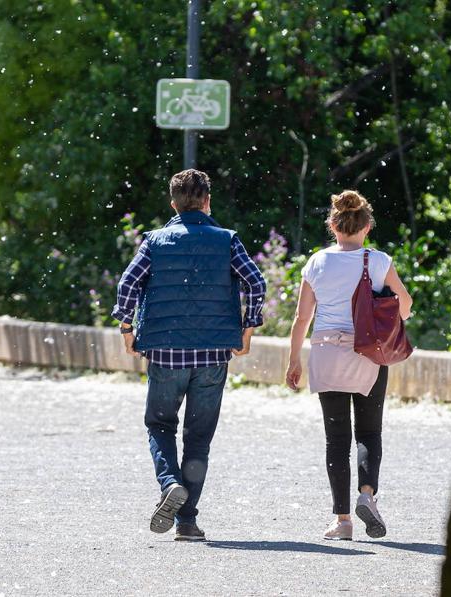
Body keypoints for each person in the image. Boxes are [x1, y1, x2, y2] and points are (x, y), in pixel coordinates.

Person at [112, 169, 266, 541]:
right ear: (207, 201)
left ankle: (169, 484)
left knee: (160, 425)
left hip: (165, 352)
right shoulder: (227, 240)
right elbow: (256, 282)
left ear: (173, 203)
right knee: (198, 438)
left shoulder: (155, 241)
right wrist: (247, 329)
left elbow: (128, 284)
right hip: (213, 354)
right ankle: (187, 522)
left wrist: (127, 329)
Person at [285, 190, 412, 541]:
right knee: (369, 432)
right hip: (367, 354)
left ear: (333, 224)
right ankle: (366, 494)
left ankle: (342, 521)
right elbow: (405, 303)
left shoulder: (316, 262)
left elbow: (301, 317)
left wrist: (294, 359)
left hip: (326, 353)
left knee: (336, 439)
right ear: (367, 226)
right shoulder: (379, 261)